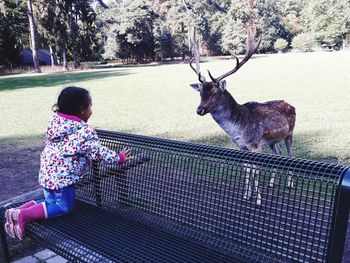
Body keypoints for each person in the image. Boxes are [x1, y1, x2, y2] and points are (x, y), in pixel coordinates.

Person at [4, 86, 132, 240]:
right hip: (63, 178)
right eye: (90, 106)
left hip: (47, 173)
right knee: (64, 207)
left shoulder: (55, 122)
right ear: (82, 110)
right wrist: (119, 158)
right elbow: (99, 152)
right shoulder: (84, 132)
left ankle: (16, 211)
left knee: (50, 202)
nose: (92, 109)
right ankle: (24, 215)